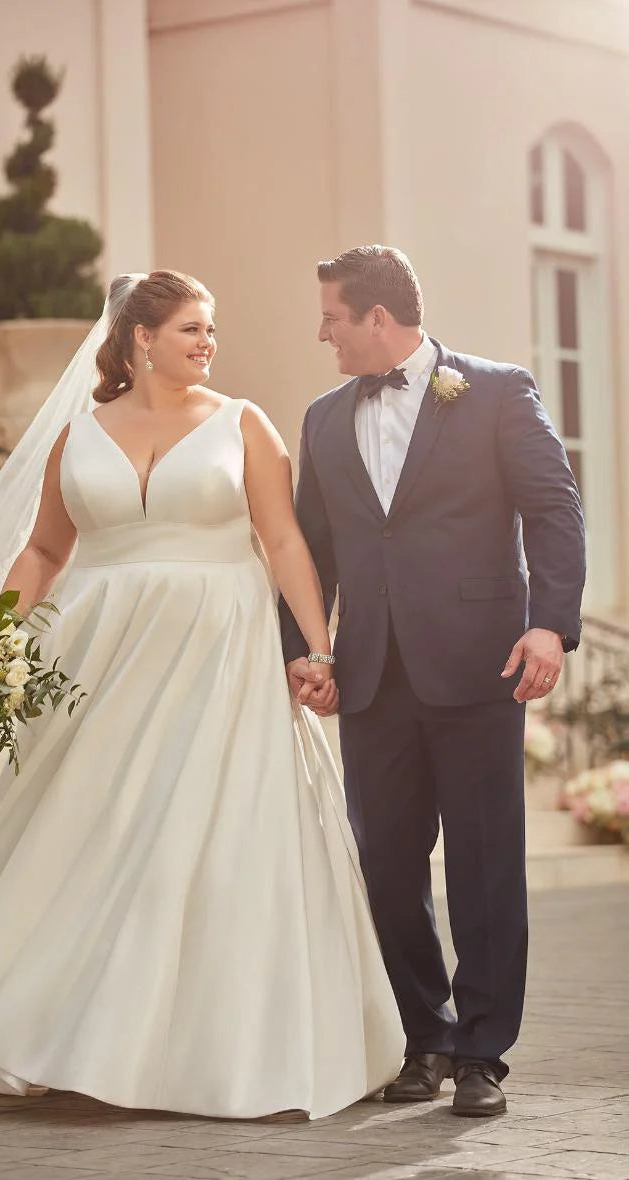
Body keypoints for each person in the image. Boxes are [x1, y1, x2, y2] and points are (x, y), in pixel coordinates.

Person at [0, 270, 404, 1119]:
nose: (209, 343)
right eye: (192, 329)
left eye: (211, 329)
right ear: (139, 339)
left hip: (221, 647)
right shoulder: (76, 435)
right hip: (99, 653)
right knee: (85, 829)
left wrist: (318, 645)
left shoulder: (245, 424)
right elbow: (45, 553)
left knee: (202, 828)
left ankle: (194, 1051)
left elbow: (282, 542)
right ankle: (51, 1034)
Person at [280, 245, 586, 1117]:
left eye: (332, 317)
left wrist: (550, 623)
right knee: (384, 863)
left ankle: (484, 1052)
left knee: (486, 865)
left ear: (379, 318)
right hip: (372, 675)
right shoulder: (322, 418)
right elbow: (314, 546)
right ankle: (425, 1036)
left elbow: (553, 508)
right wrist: (306, 647)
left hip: (482, 664)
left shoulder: (495, 390)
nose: (322, 334)